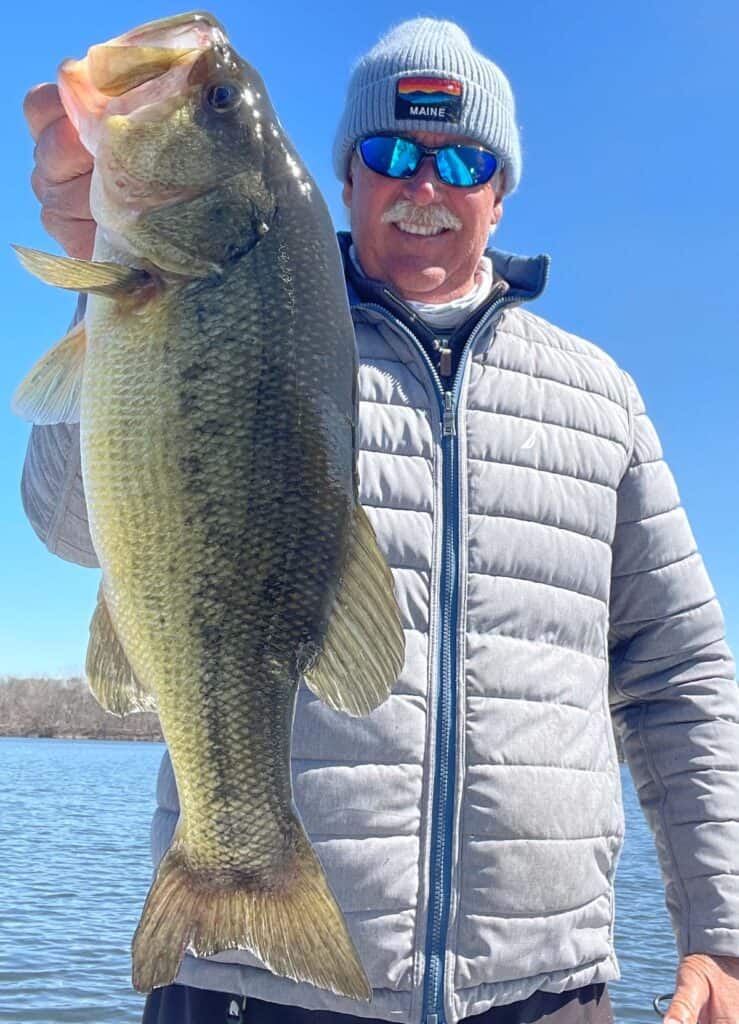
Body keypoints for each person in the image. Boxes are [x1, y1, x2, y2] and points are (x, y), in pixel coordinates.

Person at [20, 17, 739, 1024]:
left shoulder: (601, 399)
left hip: (540, 988)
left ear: (501, 189)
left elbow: (679, 674)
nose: (425, 183)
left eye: (462, 158)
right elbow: (66, 523)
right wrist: (99, 280)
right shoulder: (260, 311)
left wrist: (720, 929)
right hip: (253, 990)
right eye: (392, 151)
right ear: (346, 178)